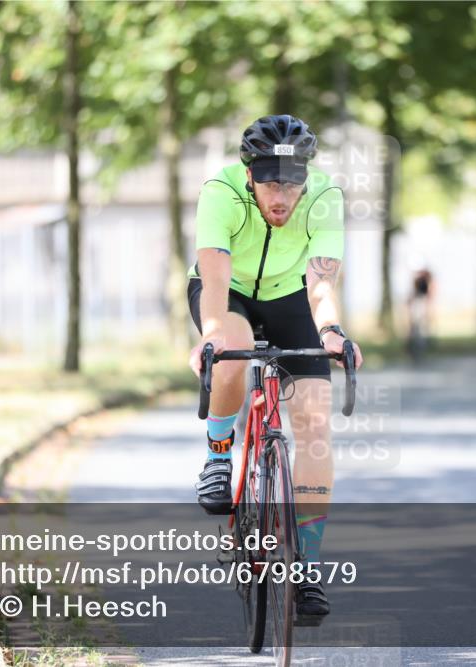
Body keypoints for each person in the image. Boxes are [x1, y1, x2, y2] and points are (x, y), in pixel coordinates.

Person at [185, 114, 363, 621]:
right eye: (269, 182)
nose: (281, 195)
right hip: (229, 295)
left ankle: (306, 566)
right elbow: (215, 273)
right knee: (233, 348)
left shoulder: (325, 194)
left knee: (312, 421)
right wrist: (213, 331)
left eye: (291, 182)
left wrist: (330, 330)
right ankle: (219, 457)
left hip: (291, 299)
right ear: (249, 176)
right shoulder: (219, 191)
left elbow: (322, 279)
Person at [406, 266, 435, 361]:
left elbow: (429, 294)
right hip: (417, 305)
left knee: (420, 330)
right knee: (415, 329)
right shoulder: (417, 281)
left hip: (421, 304)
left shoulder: (425, 280)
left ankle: (419, 350)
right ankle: (414, 350)